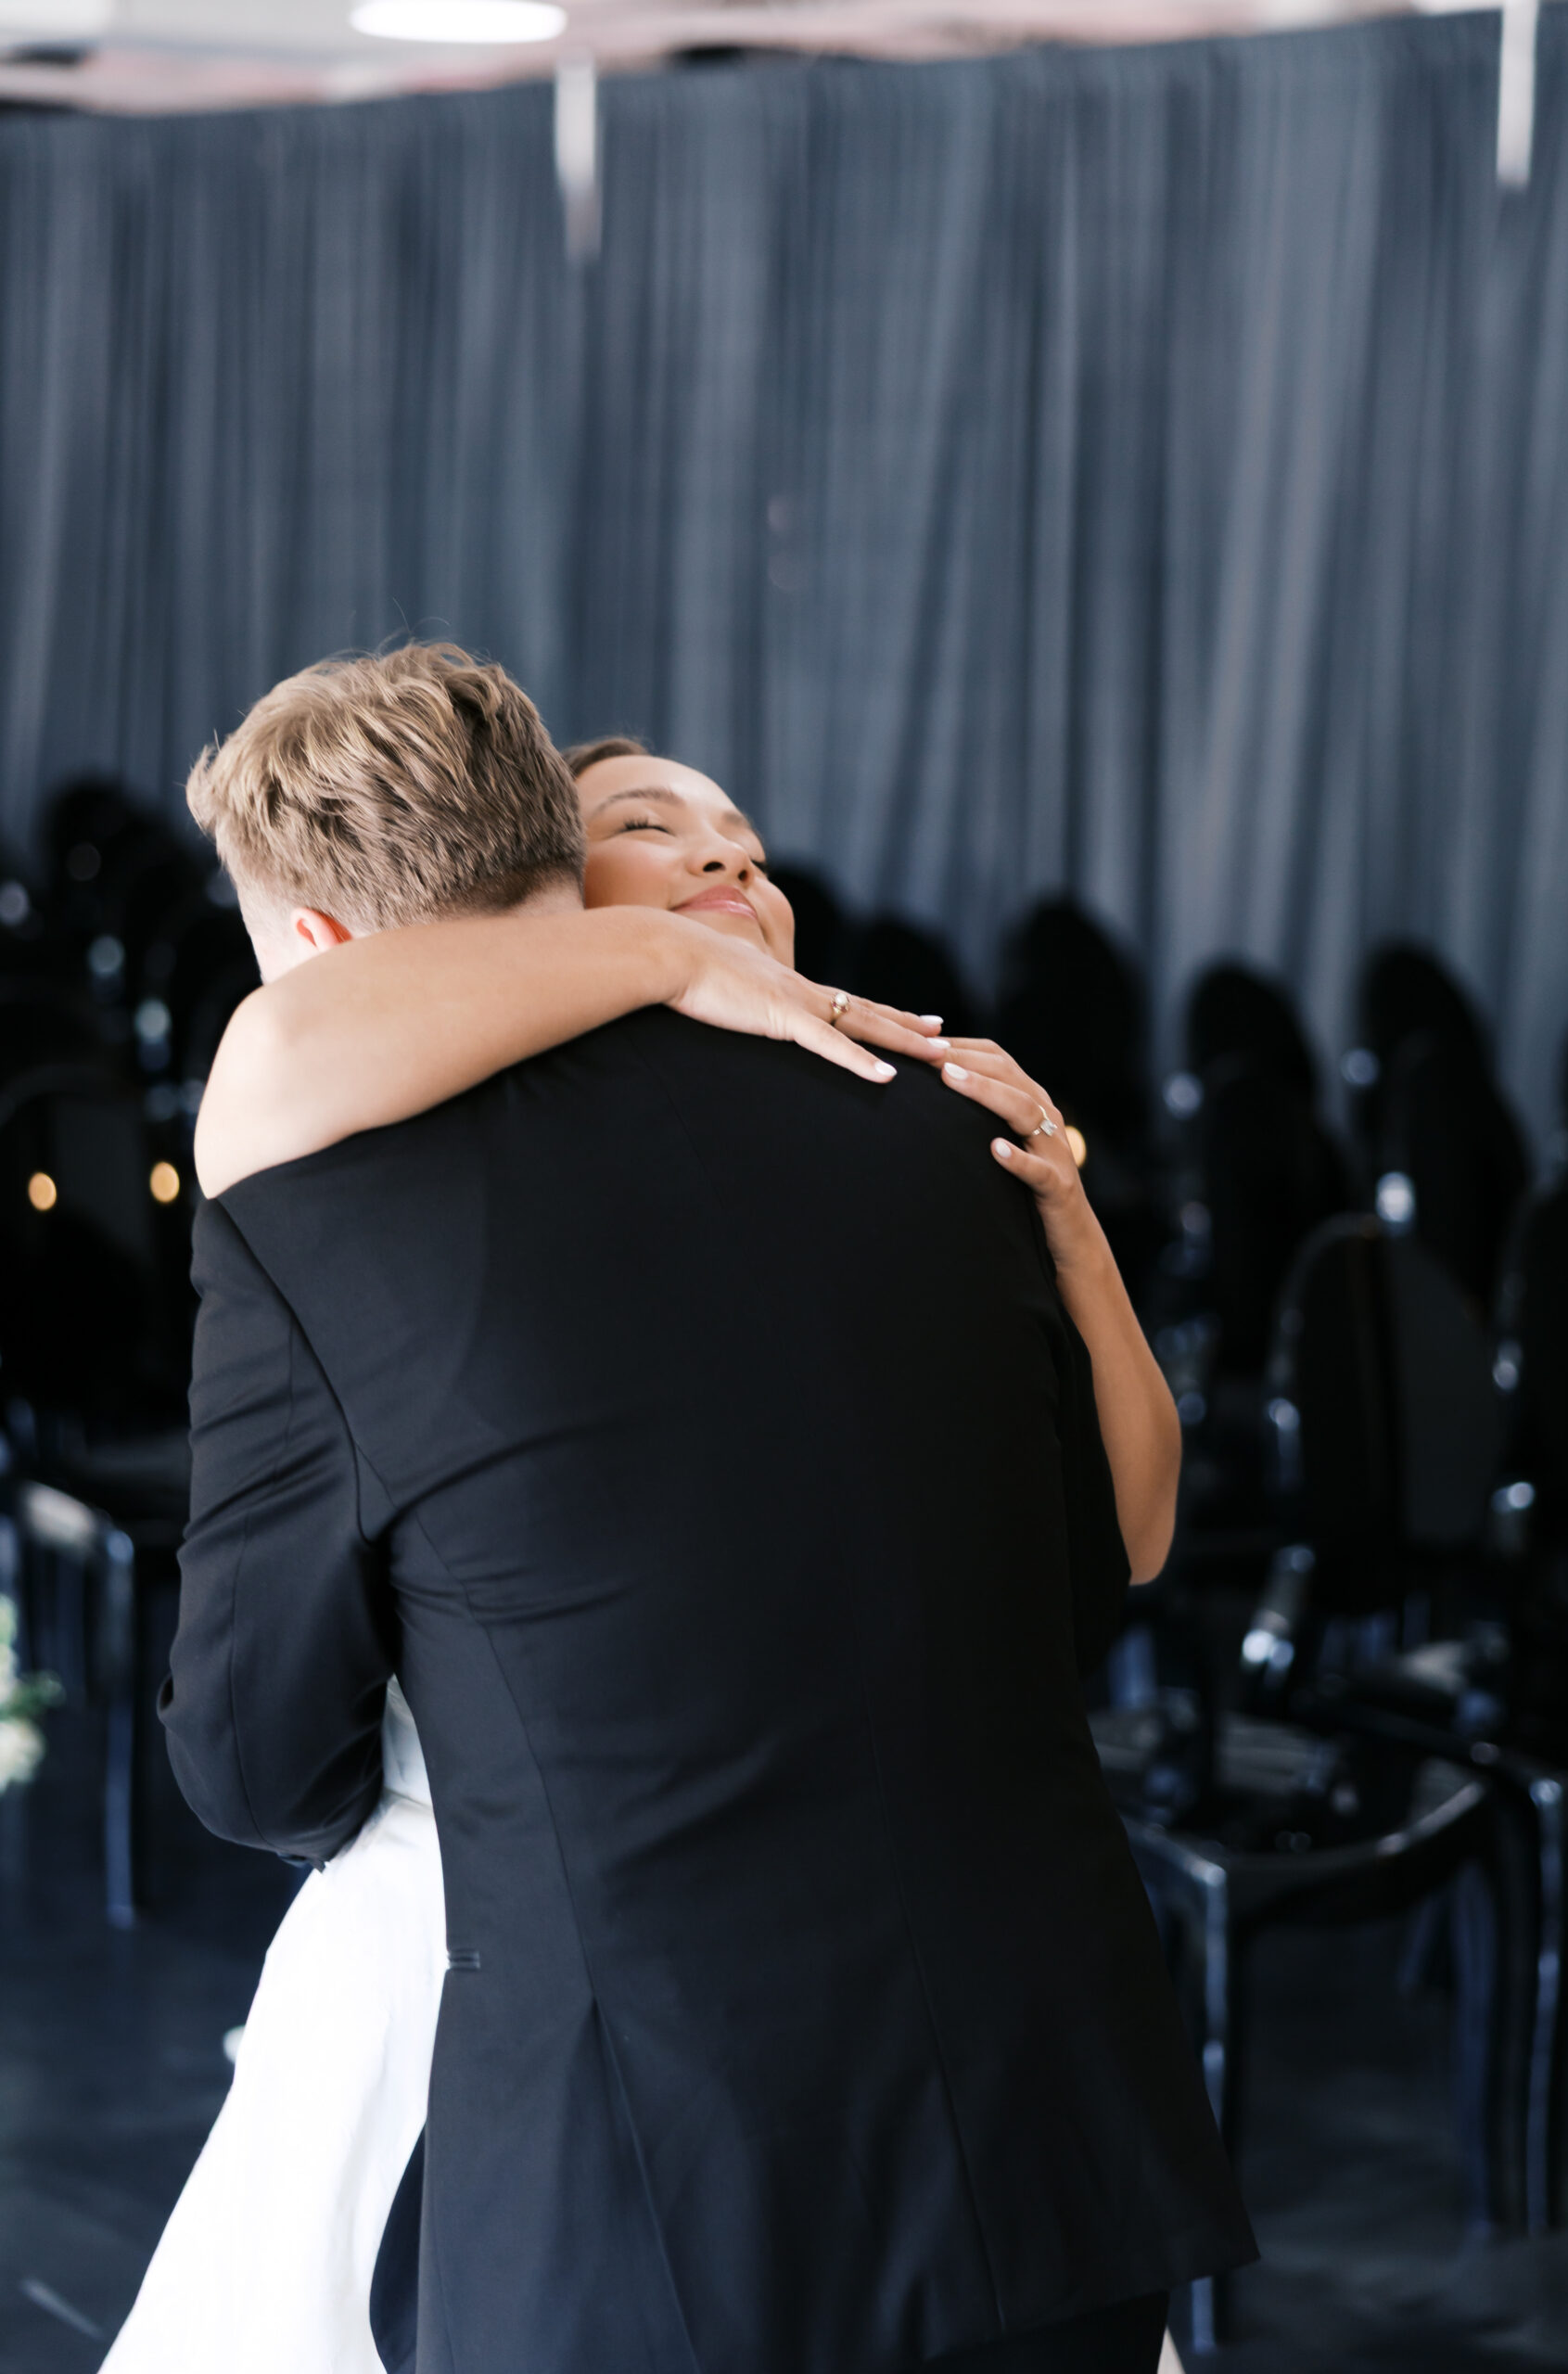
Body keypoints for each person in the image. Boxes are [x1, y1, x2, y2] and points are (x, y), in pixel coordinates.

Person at [156, 645, 1253, 2374]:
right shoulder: (918, 1123)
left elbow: (249, 1757)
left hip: (666, 2180)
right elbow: (1079, 1586)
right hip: (1040, 2128)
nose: (722, 870)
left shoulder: (325, 1203)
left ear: (316, 941)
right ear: (557, 860)